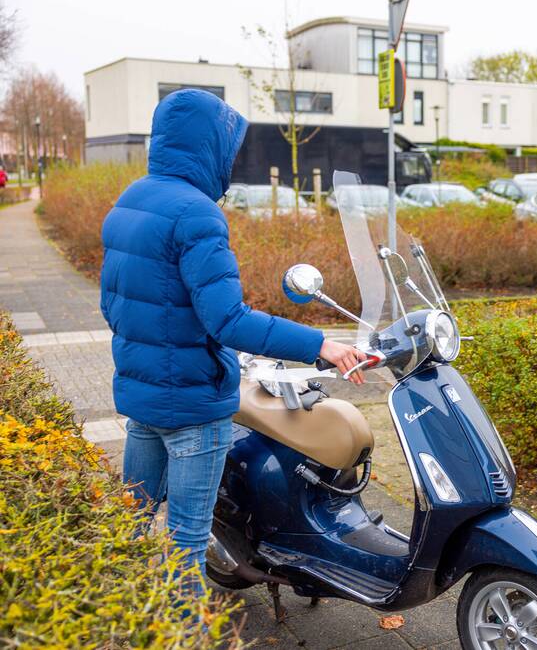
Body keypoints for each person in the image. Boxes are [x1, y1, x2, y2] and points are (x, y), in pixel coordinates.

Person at [99, 89, 364, 591]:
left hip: (143, 399)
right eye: (227, 146)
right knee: (186, 542)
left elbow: (112, 306)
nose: (232, 158)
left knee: (128, 524)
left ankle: (124, 618)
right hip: (195, 409)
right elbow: (229, 321)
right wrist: (319, 345)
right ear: (207, 147)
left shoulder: (130, 201)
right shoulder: (197, 214)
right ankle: (183, 635)